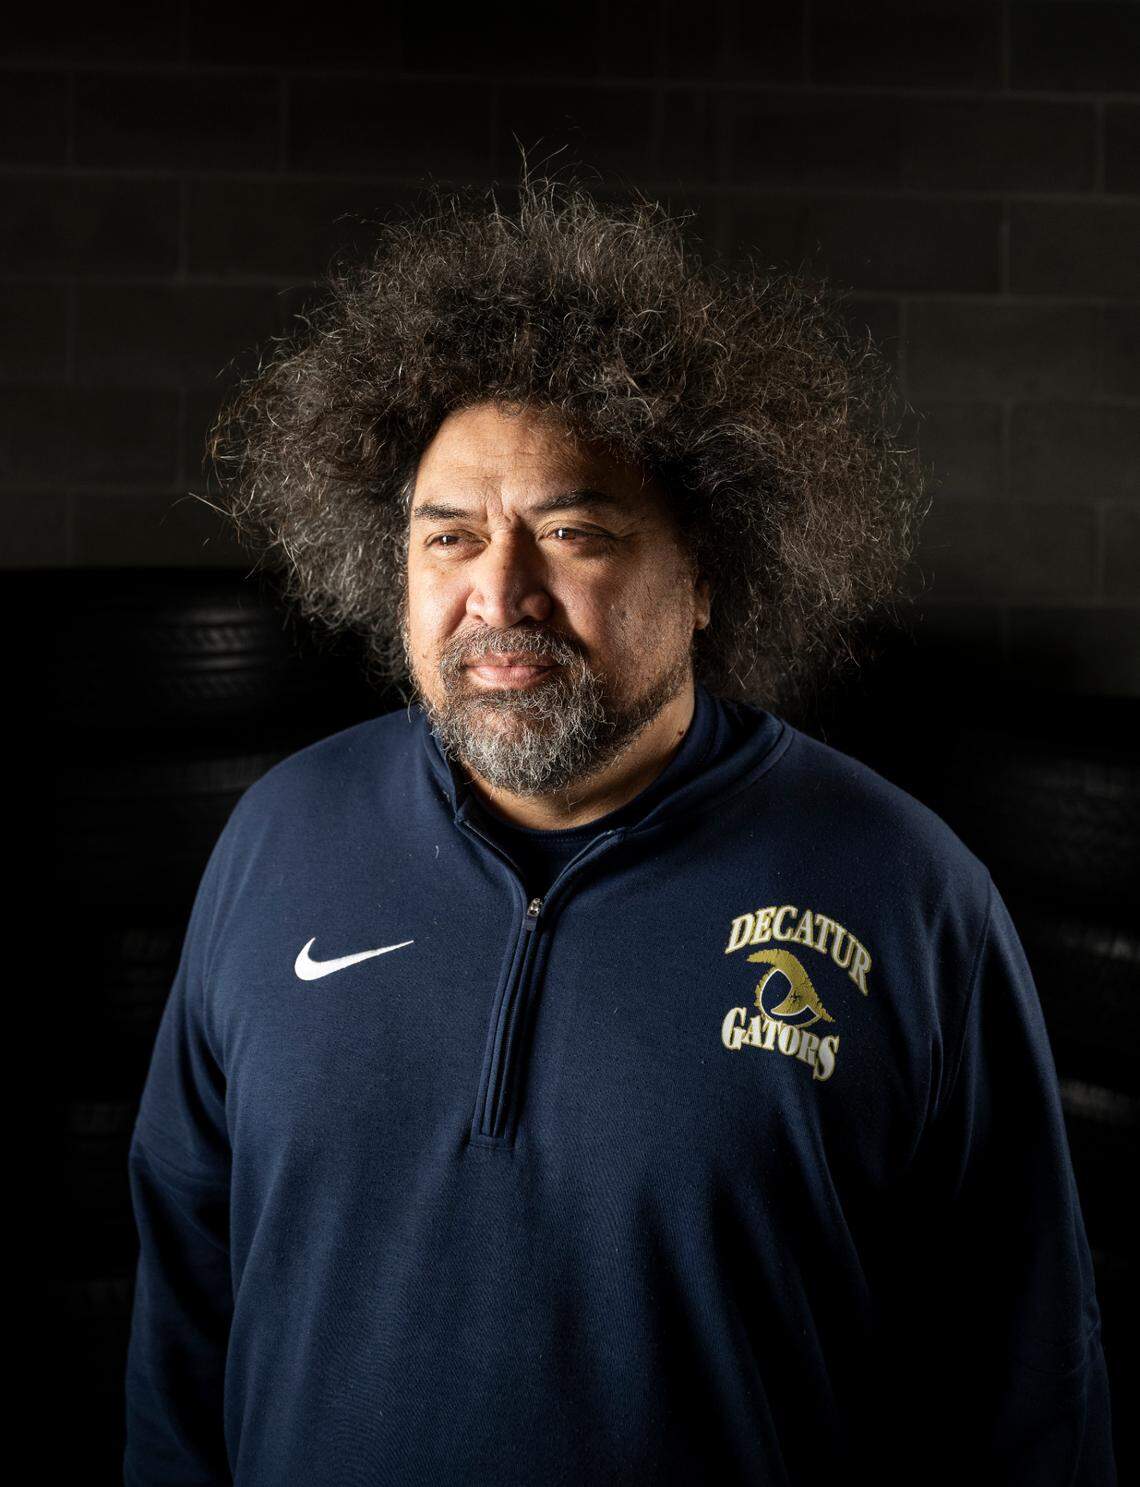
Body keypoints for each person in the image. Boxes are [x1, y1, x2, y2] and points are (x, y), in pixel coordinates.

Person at [124, 169, 1116, 1485]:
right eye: (448, 539)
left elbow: (1026, 1396)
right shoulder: (277, 842)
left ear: (705, 570)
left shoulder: (907, 896)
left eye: (573, 533)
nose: (499, 593)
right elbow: (182, 1320)